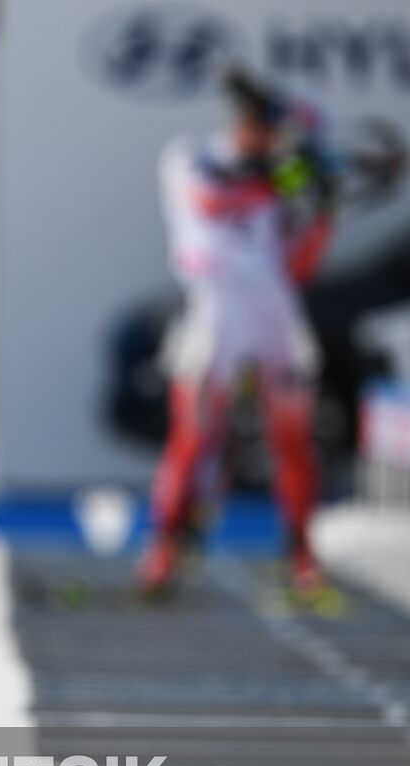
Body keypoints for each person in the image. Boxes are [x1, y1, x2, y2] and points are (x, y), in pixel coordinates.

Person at [138, 69, 337, 595]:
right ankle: (164, 551)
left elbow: (299, 266)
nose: (269, 139)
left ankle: (301, 555)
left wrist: (323, 207)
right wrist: (280, 175)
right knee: (193, 437)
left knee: (293, 439)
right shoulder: (190, 158)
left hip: (273, 311)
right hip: (215, 309)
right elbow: (211, 202)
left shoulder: (280, 177)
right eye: (262, 127)